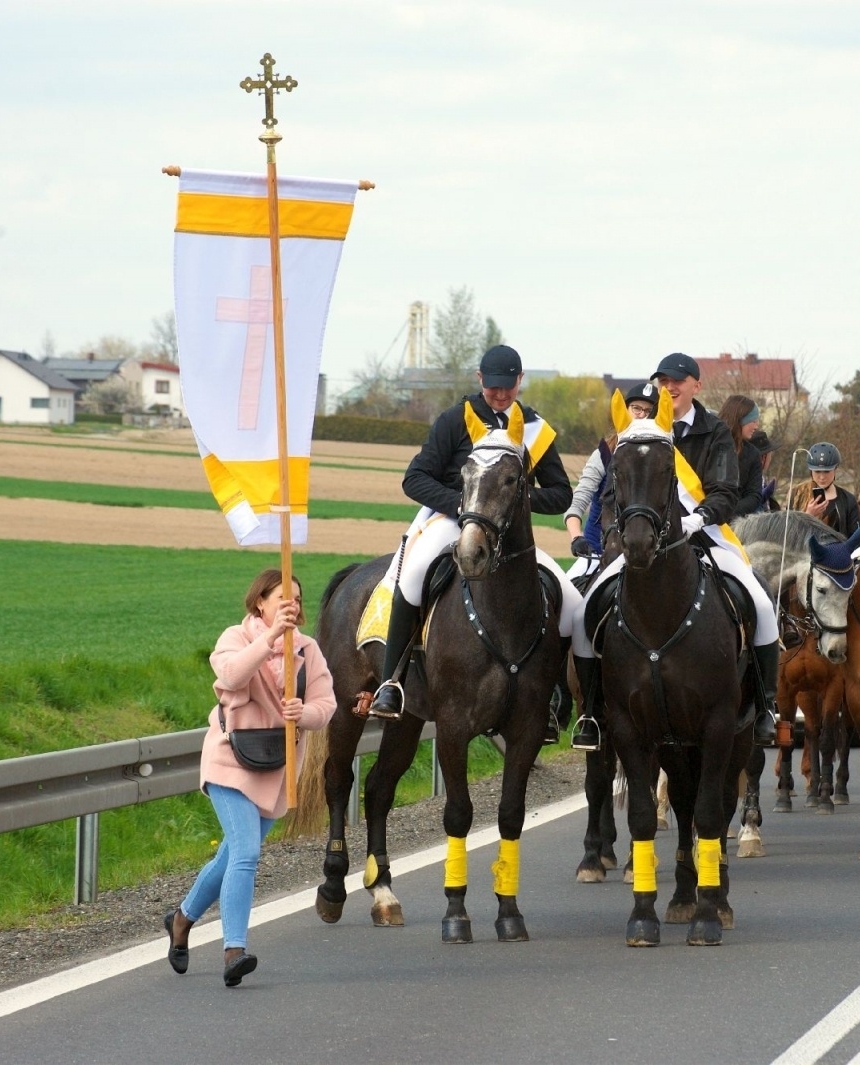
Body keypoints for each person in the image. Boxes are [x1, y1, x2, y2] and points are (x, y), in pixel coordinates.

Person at [368, 345, 582, 742]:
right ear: (480, 379)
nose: (500, 395)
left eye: (508, 388)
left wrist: (516, 501)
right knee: (412, 576)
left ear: (520, 382)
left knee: (570, 602)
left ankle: (551, 700)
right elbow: (415, 478)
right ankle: (391, 682)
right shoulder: (455, 420)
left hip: (510, 533)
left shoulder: (535, 428)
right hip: (452, 521)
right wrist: (465, 506)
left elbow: (561, 493)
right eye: (493, 387)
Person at [569, 352, 782, 750]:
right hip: (646, 542)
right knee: (585, 612)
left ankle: (766, 705)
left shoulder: (715, 431)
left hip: (705, 535)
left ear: (696, 386)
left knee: (761, 601)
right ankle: (590, 713)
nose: (670, 387)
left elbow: (725, 491)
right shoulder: (642, 430)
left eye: (678, 381)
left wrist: (695, 519)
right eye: (664, 381)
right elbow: (617, 491)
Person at [165, 569, 336, 988]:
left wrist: (305, 714)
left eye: (296, 599)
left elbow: (326, 702)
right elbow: (230, 677)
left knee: (229, 857)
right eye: (282, 598)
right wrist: (270, 639)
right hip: (229, 760)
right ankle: (234, 951)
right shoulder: (235, 638)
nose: (290, 606)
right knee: (245, 854)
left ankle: (181, 920)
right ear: (260, 601)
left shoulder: (308, 650)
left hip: (278, 768)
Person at [564, 383, 659, 582]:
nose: (641, 415)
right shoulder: (604, 453)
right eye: (636, 409)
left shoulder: (661, 459)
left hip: (645, 559)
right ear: (624, 411)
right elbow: (577, 501)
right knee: (565, 607)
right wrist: (576, 537)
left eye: (648, 411)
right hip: (597, 555)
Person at [790, 441, 860, 538]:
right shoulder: (797, 495)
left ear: (835, 469)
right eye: (817, 471)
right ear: (810, 471)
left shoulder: (848, 500)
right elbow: (788, 534)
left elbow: (857, 538)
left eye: (827, 471)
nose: (822, 477)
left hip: (838, 551)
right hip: (805, 551)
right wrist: (808, 516)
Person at [718, 394, 769, 517]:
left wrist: (728, 513)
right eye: (753, 421)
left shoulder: (752, 454)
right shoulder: (709, 445)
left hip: (733, 524)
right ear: (739, 419)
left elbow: (754, 495)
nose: (756, 426)